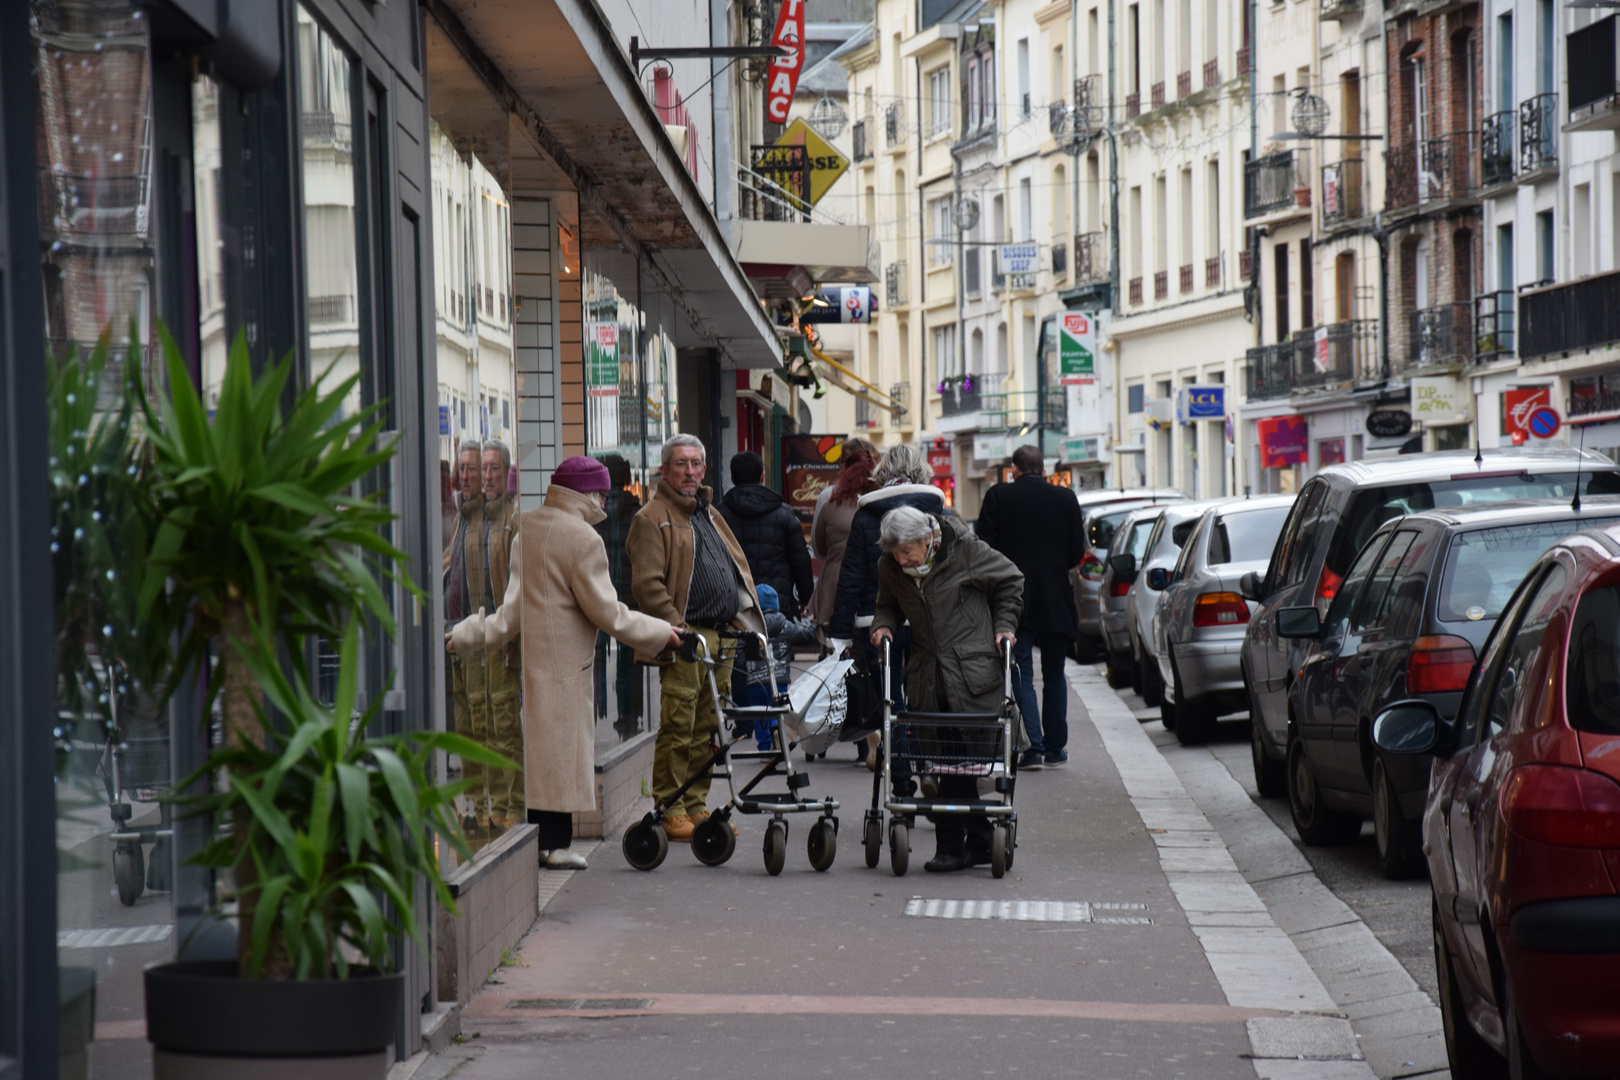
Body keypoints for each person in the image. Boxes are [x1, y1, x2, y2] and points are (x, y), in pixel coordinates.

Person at [449, 456, 683, 869]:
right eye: (601, 493)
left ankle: (542, 842)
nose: (605, 502)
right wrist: (663, 632)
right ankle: (556, 847)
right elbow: (609, 613)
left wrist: (465, 634)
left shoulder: (530, 527)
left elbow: (509, 614)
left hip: (534, 666)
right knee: (561, 760)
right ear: (586, 493)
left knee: (544, 761)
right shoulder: (583, 539)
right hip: (568, 668)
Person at [627, 434, 766, 842]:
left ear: (705, 470)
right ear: (665, 470)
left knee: (709, 727)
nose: (689, 472)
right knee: (678, 725)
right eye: (681, 464)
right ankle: (669, 807)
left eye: (695, 464)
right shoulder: (651, 517)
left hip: (721, 637)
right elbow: (647, 587)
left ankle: (696, 804)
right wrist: (677, 631)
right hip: (685, 638)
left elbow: (733, 568)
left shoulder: (707, 513)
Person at [870, 505, 1024, 872]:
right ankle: (979, 841)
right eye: (895, 553)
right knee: (949, 760)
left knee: (961, 760)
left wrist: (1005, 624)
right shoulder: (890, 567)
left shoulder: (966, 551)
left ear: (928, 539)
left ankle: (952, 848)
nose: (902, 560)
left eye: (907, 551)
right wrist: (883, 625)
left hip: (971, 671)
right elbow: (886, 605)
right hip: (928, 676)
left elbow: (1011, 579)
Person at [975, 444, 1087, 769]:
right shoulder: (1066, 498)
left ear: (1014, 468)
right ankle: (1055, 747)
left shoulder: (998, 496)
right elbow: (1076, 552)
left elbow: (984, 547)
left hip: (1013, 598)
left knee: (1020, 669)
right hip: (1055, 596)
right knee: (1054, 673)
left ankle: (1032, 746)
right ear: (1043, 469)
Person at [443, 437, 502, 835]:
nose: (466, 477)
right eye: (461, 470)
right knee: (464, 729)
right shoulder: (462, 517)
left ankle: (488, 808)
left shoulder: (493, 521)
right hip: (453, 638)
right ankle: (473, 805)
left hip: (480, 637)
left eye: (473, 469)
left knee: (485, 728)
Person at [477, 438, 524, 828]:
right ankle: (497, 804)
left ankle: (515, 804)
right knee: (486, 725)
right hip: (481, 637)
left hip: (504, 639)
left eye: (495, 468)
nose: (487, 476)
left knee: (506, 723)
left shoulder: (513, 519)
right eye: (483, 469)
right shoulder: (480, 519)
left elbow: (514, 592)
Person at [717, 451, 814, 618]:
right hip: (777, 604)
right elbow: (801, 561)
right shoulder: (785, 514)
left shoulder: (718, 515)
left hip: (733, 604)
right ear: (763, 477)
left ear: (732, 479)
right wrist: (806, 598)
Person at [593, 453, 644, 738]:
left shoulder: (594, 515)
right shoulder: (637, 513)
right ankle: (629, 718)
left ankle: (595, 711)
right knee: (629, 663)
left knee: (595, 659)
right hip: (629, 598)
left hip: (598, 597)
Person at [741, 583, 819, 750]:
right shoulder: (785, 625)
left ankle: (764, 747)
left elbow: (739, 652)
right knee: (777, 712)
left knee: (759, 714)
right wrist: (815, 622)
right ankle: (777, 736)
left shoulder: (750, 627)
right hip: (779, 680)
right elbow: (807, 635)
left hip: (755, 681)